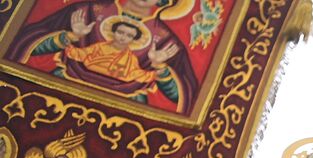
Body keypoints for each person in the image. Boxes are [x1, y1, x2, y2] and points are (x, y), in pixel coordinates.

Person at [9, 1, 198, 113]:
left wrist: (159, 67)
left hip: (127, 105)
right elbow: (27, 44)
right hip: (59, 86)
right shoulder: (87, 11)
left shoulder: (166, 40)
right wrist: (70, 37)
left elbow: (182, 97)